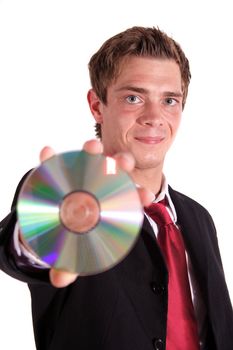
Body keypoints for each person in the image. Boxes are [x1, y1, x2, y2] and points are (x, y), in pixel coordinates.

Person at [0, 26, 232, 350]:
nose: (154, 117)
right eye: (133, 98)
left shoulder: (199, 218)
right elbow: (17, 250)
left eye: (169, 100)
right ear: (97, 105)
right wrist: (43, 228)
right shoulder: (65, 195)